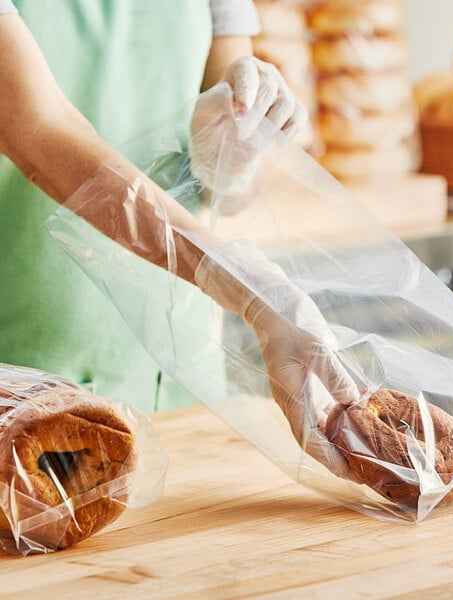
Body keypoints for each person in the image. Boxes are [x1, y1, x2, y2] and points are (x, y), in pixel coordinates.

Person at [0, 1, 358, 477]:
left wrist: (231, 153)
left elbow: (225, 195)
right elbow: (39, 131)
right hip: (23, 396)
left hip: (183, 388)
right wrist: (252, 290)